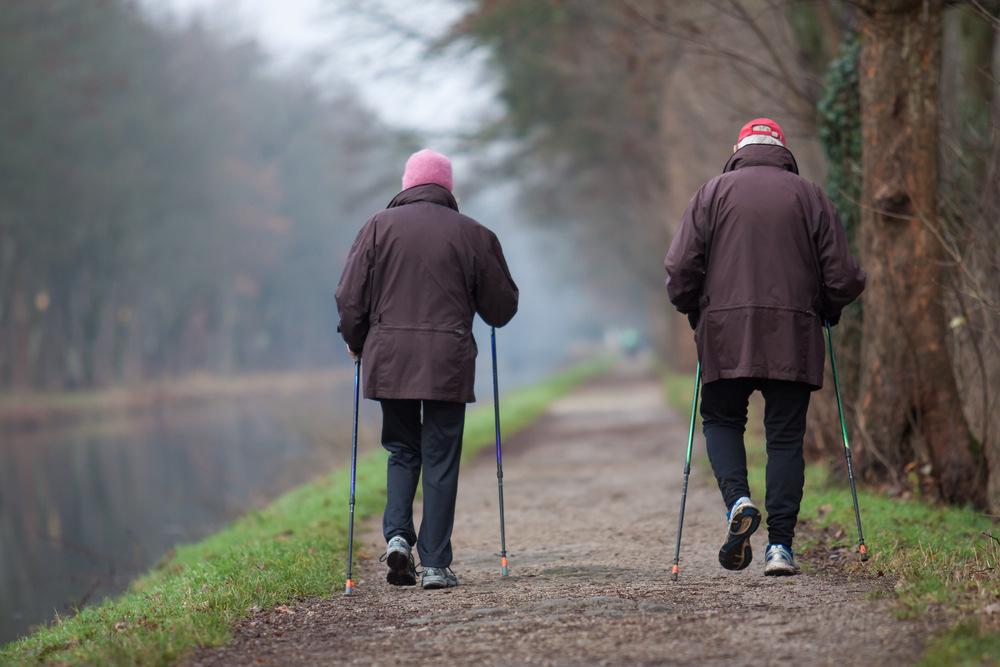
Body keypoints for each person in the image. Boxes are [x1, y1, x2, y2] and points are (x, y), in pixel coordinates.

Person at [664, 119, 865, 576]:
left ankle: (738, 501)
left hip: (724, 334)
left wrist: (693, 308)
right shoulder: (810, 196)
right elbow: (843, 276)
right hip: (793, 334)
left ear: (738, 148)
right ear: (782, 149)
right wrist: (827, 308)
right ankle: (780, 549)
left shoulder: (711, 193)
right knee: (785, 438)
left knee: (720, 418)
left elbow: (679, 268)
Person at [335, 149, 519, 590]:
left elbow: (348, 296)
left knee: (402, 450)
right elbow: (501, 307)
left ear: (407, 184)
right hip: (447, 361)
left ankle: (398, 536)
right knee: (440, 456)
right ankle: (435, 564)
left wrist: (356, 341)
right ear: (446, 187)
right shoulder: (473, 234)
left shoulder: (377, 227)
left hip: (390, 358)